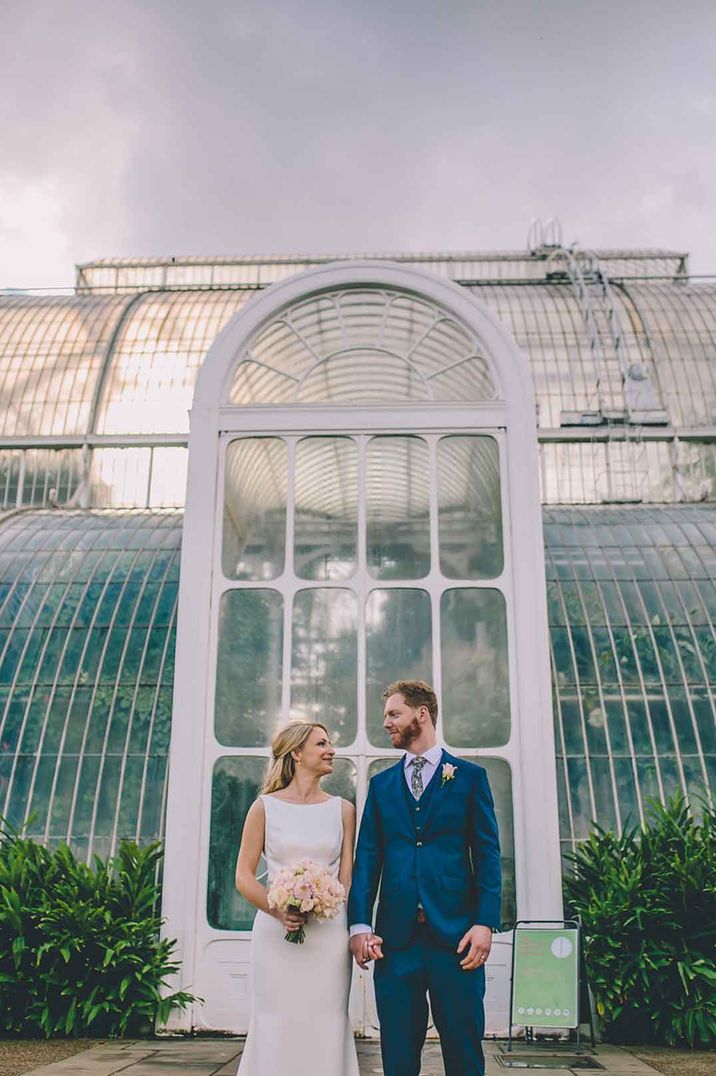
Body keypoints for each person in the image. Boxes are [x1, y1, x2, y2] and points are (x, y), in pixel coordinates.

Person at [348, 680, 502, 1076]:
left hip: (457, 940)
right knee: (398, 1056)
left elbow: (487, 856)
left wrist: (485, 922)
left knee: (464, 1051)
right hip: (395, 943)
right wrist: (360, 925)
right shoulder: (381, 786)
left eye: (393, 714)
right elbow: (367, 859)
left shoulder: (469, 778)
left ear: (422, 714)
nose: (386, 724)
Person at [234, 720, 359, 1075]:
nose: (331, 749)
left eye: (330, 743)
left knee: (327, 1019)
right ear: (297, 753)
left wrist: (333, 908)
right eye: (321, 743)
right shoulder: (264, 807)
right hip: (276, 936)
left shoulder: (343, 810)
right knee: (275, 1020)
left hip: (329, 936)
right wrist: (277, 910)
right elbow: (243, 877)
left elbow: (346, 878)